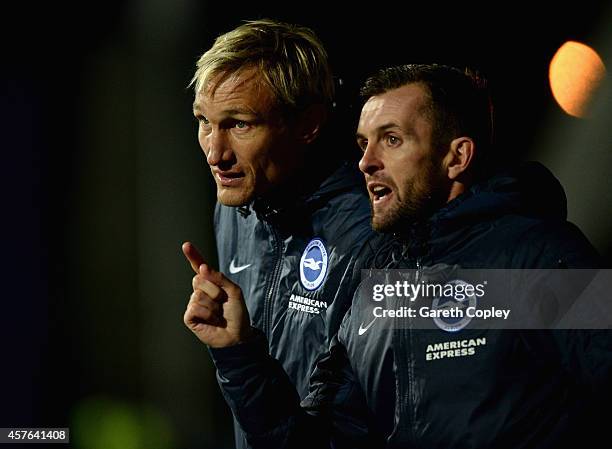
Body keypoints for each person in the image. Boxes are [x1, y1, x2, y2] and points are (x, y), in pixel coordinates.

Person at [188, 64, 611, 448]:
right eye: (362, 143)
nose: (366, 163)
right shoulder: (381, 291)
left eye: (392, 140)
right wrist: (240, 353)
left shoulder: (539, 258)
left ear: (456, 157)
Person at [181, 19, 375, 449]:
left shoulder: (370, 235)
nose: (216, 152)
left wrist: (238, 357)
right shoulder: (236, 207)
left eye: (240, 124)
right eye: (204, 121)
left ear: (308, 124)